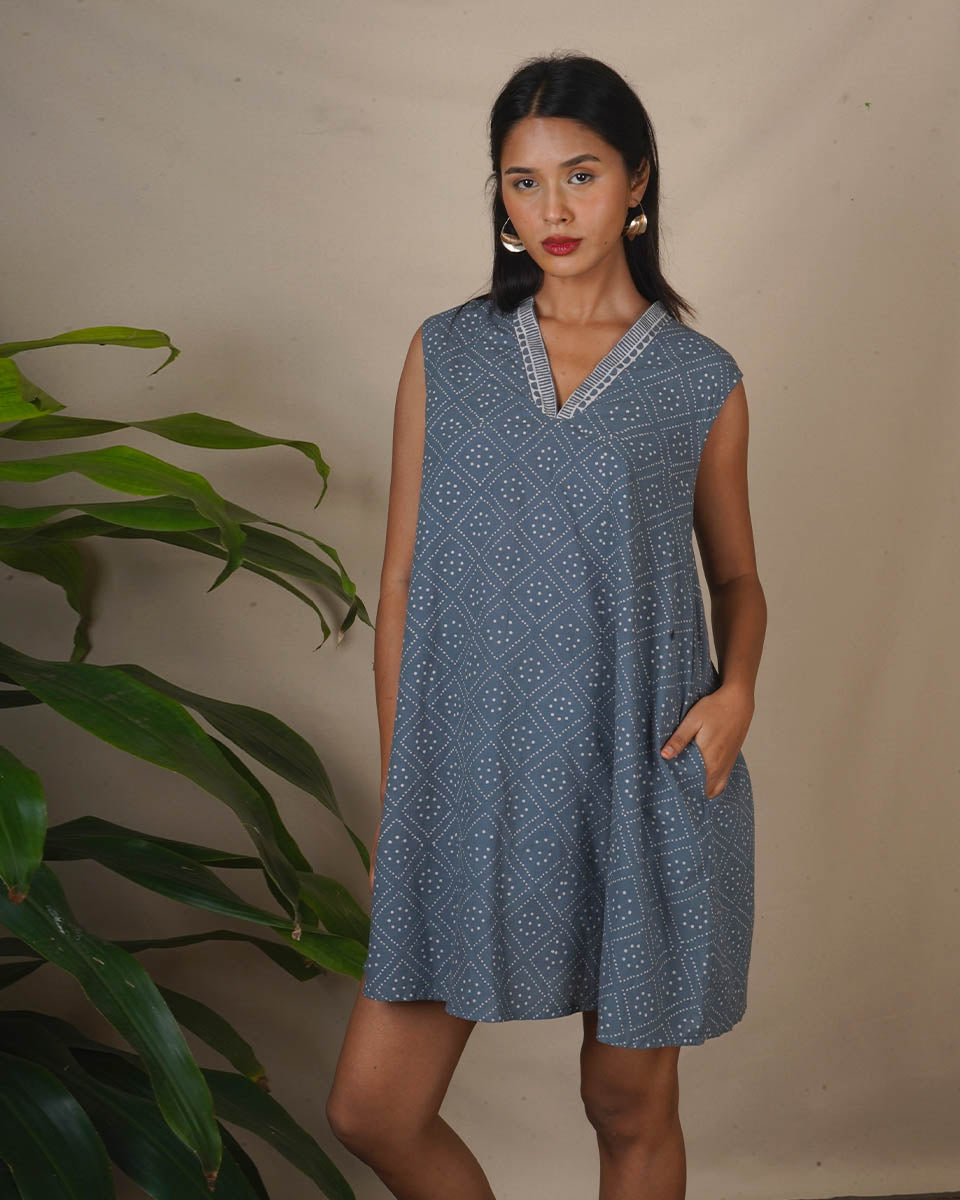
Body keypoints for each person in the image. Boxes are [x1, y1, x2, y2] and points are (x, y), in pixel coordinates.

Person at [327, 51, 766, 1200]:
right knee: (374, 1109)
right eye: (524, 182)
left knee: (626, 1104)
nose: (554, 209)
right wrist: (406, 792)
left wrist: (737, 691)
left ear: (638, 180)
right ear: (501, 198)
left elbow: (737, 580)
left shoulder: (700, 379)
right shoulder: (448, 350)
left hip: (639, 773)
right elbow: (402, 584)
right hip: (470, 777)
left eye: (581, 174)